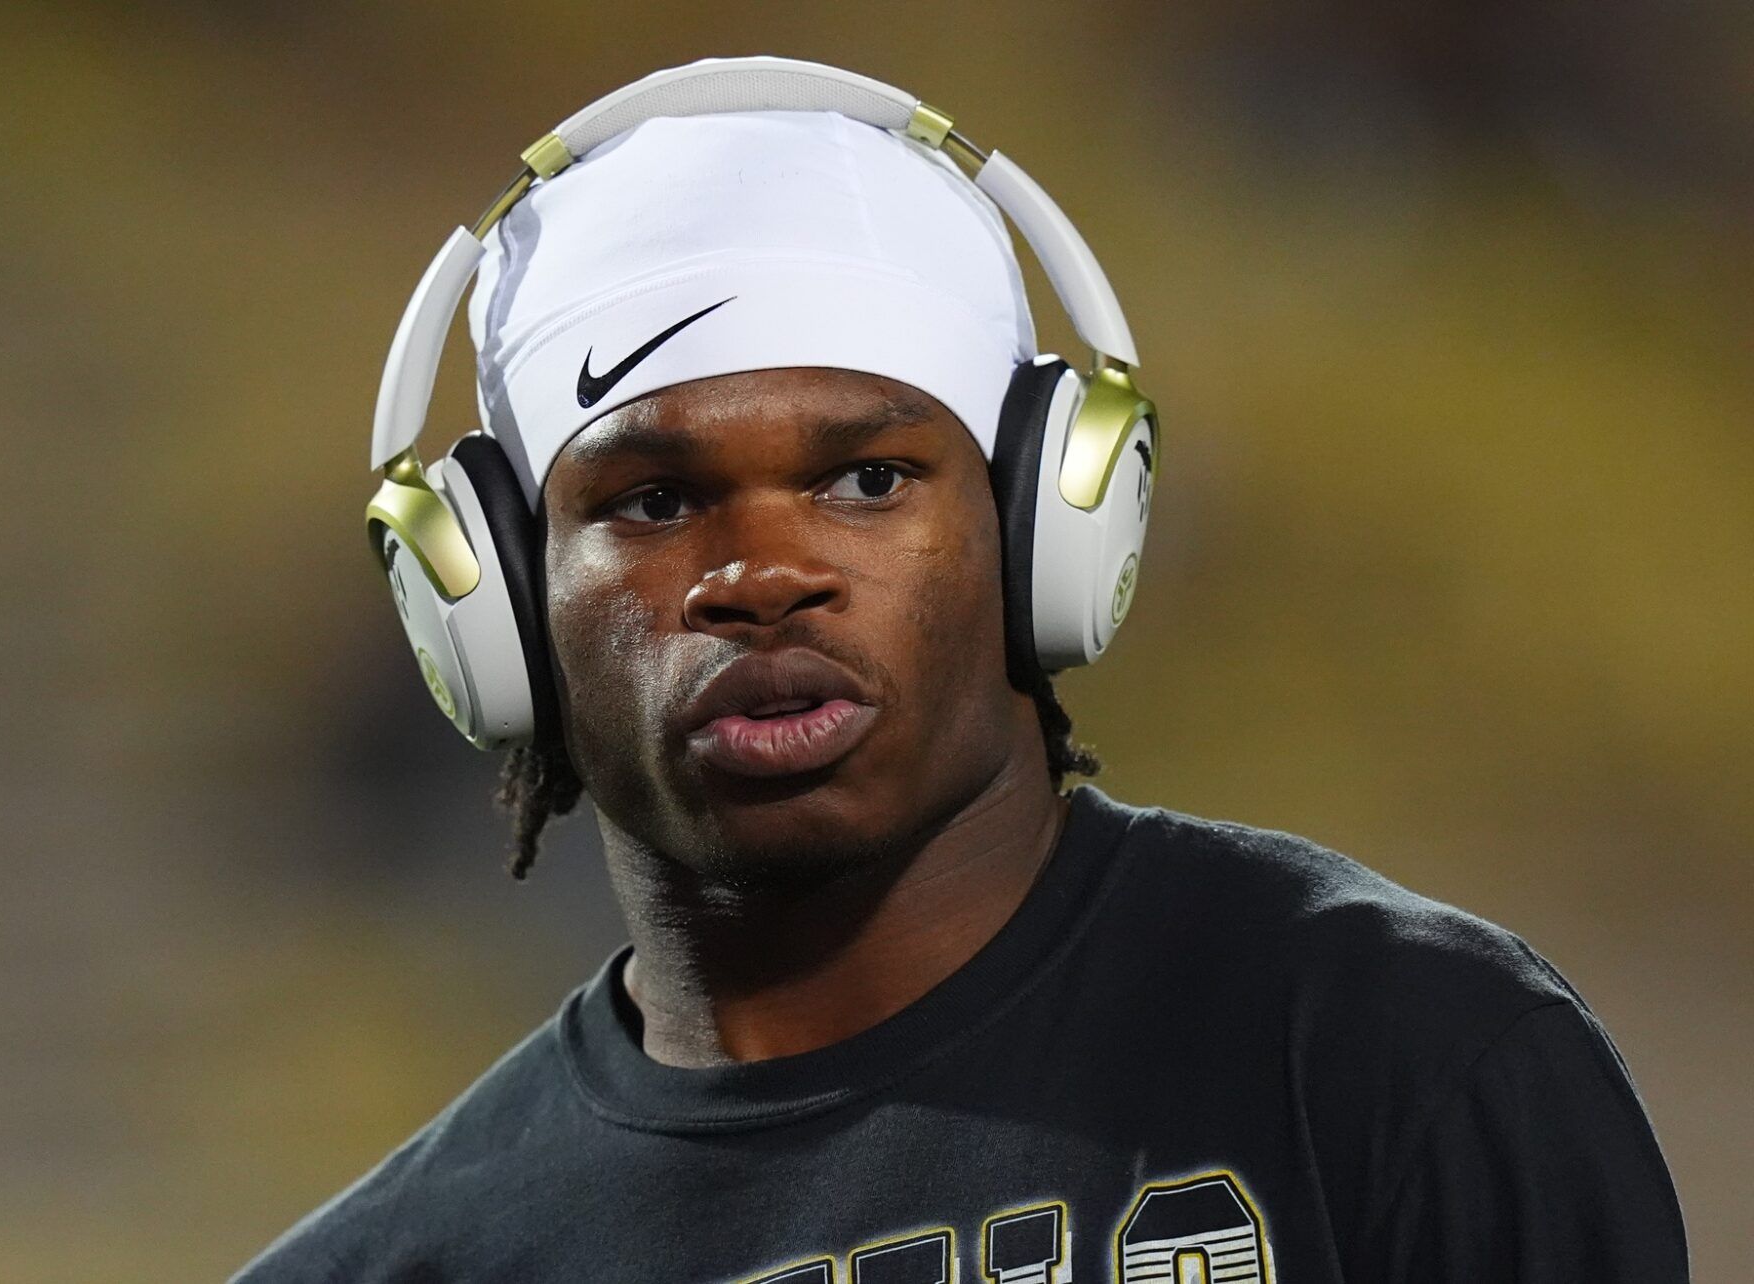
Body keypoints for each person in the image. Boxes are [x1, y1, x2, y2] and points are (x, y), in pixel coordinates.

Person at [234, 58, 1687, 1283]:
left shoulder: (1403, 1055)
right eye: (654, 502)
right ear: (489, 602)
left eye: (867, 477)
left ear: (1038, 519)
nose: (759, 576)